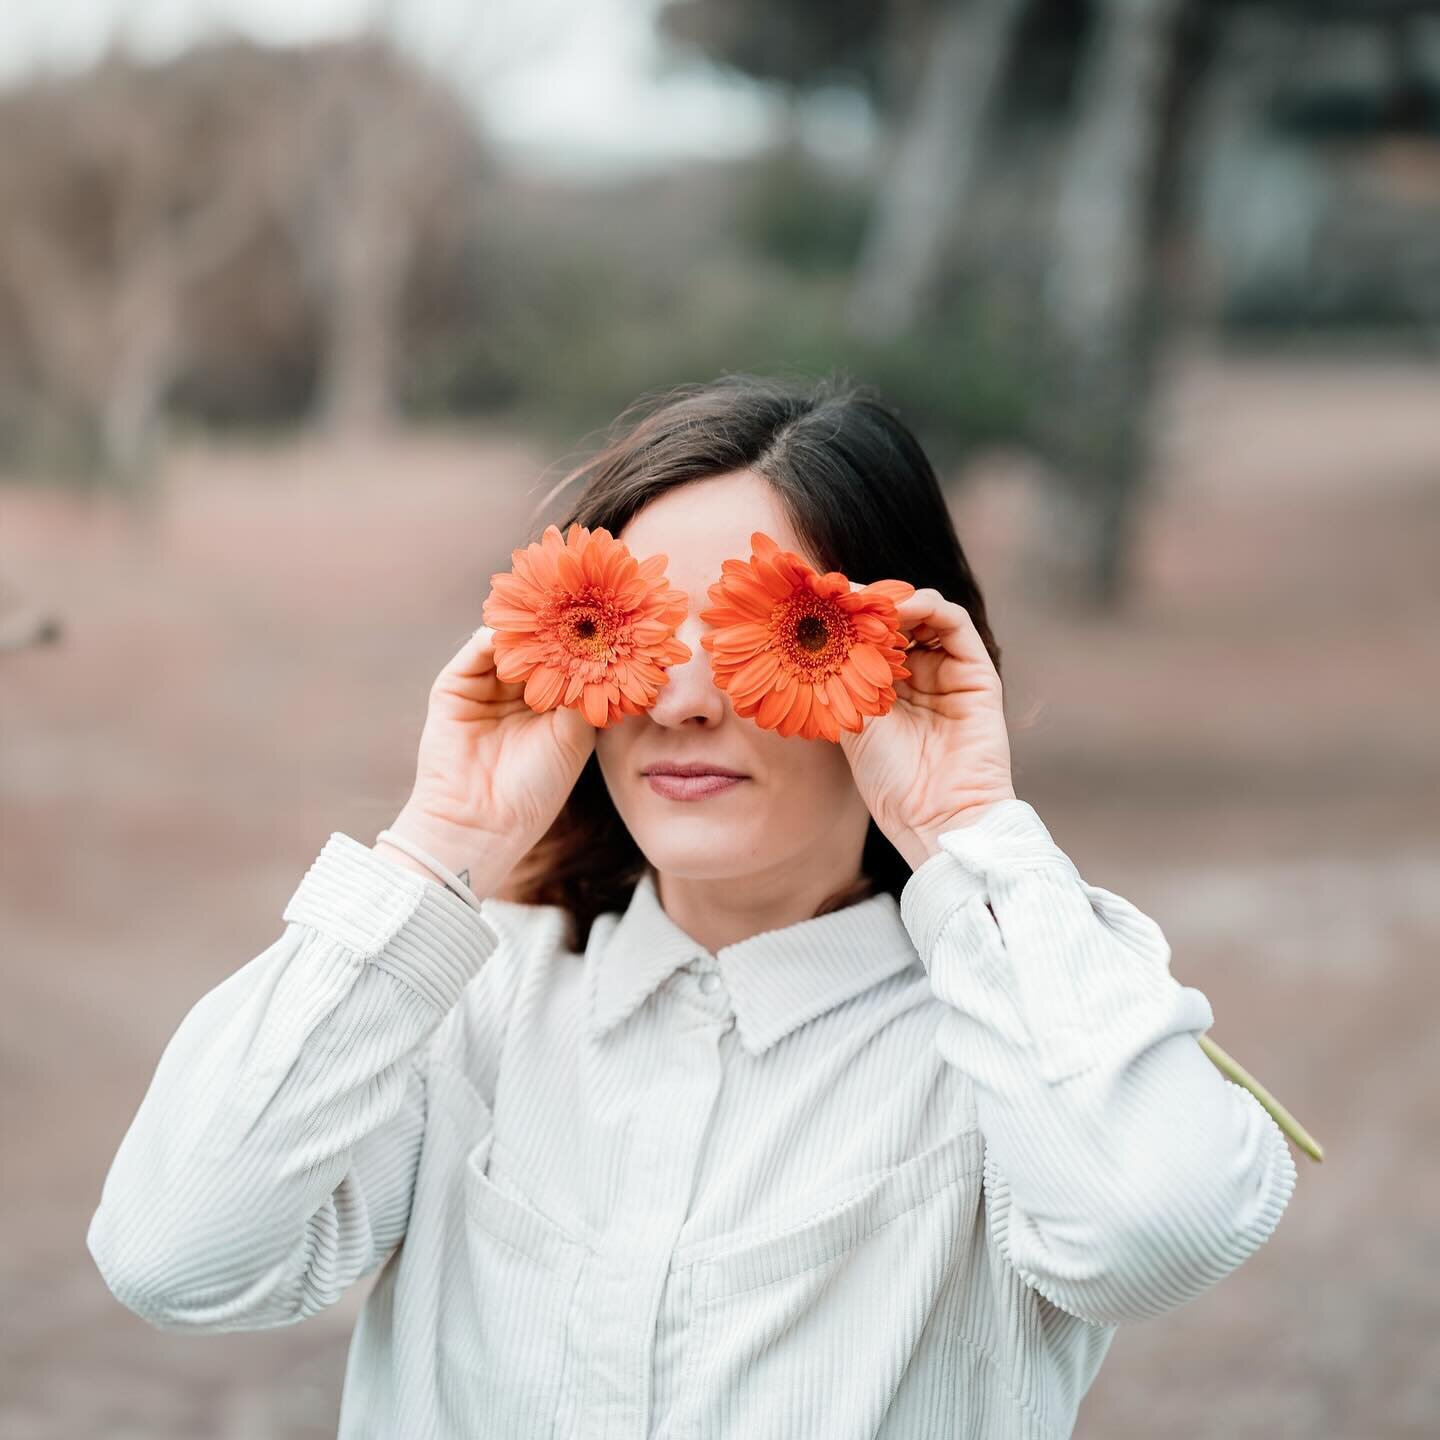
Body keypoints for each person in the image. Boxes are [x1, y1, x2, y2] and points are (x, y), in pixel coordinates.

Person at [87, 373, 1297, 1439]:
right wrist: (439, 845)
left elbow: (1157, 1229)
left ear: (906, 660)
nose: (681, 702)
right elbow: (175, 1255)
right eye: (640, 630)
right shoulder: (466, 1010)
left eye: (766, 628)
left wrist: (966, 827)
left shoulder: (1023, 1045)